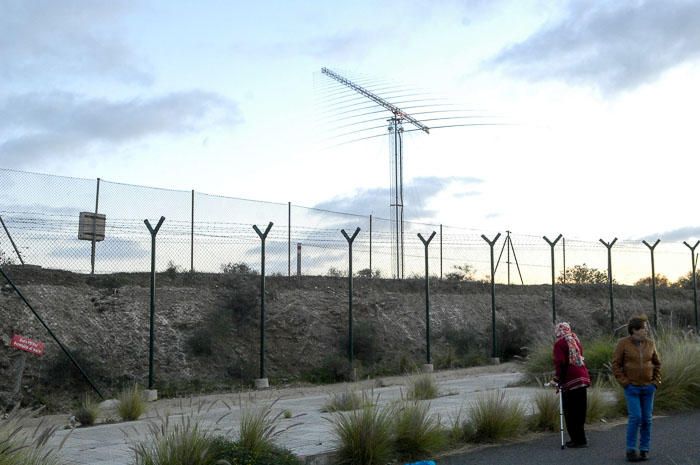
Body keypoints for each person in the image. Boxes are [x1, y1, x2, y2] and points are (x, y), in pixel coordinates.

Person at [612, 315, 662, 462]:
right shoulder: (623, 344)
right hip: (632, 388)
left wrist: (655, 382)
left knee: (647, 419)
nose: (646, 330)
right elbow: (616, 365)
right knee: (636, 417)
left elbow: (657, 363)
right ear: (634, 330)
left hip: (648, 388)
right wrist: (625, 382)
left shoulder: (650, 343)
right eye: (643, 328)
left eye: (646, 328)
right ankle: (631, 450)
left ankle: (644, 449)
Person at [551, 322, 591, 448]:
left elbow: (560, 363)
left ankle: (576, 439)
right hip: (583, 377)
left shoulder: (559, 344)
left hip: (570, 379)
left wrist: (557, 380)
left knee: (570, 411)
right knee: (580, 411)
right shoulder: (575, 339)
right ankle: (582, 438)